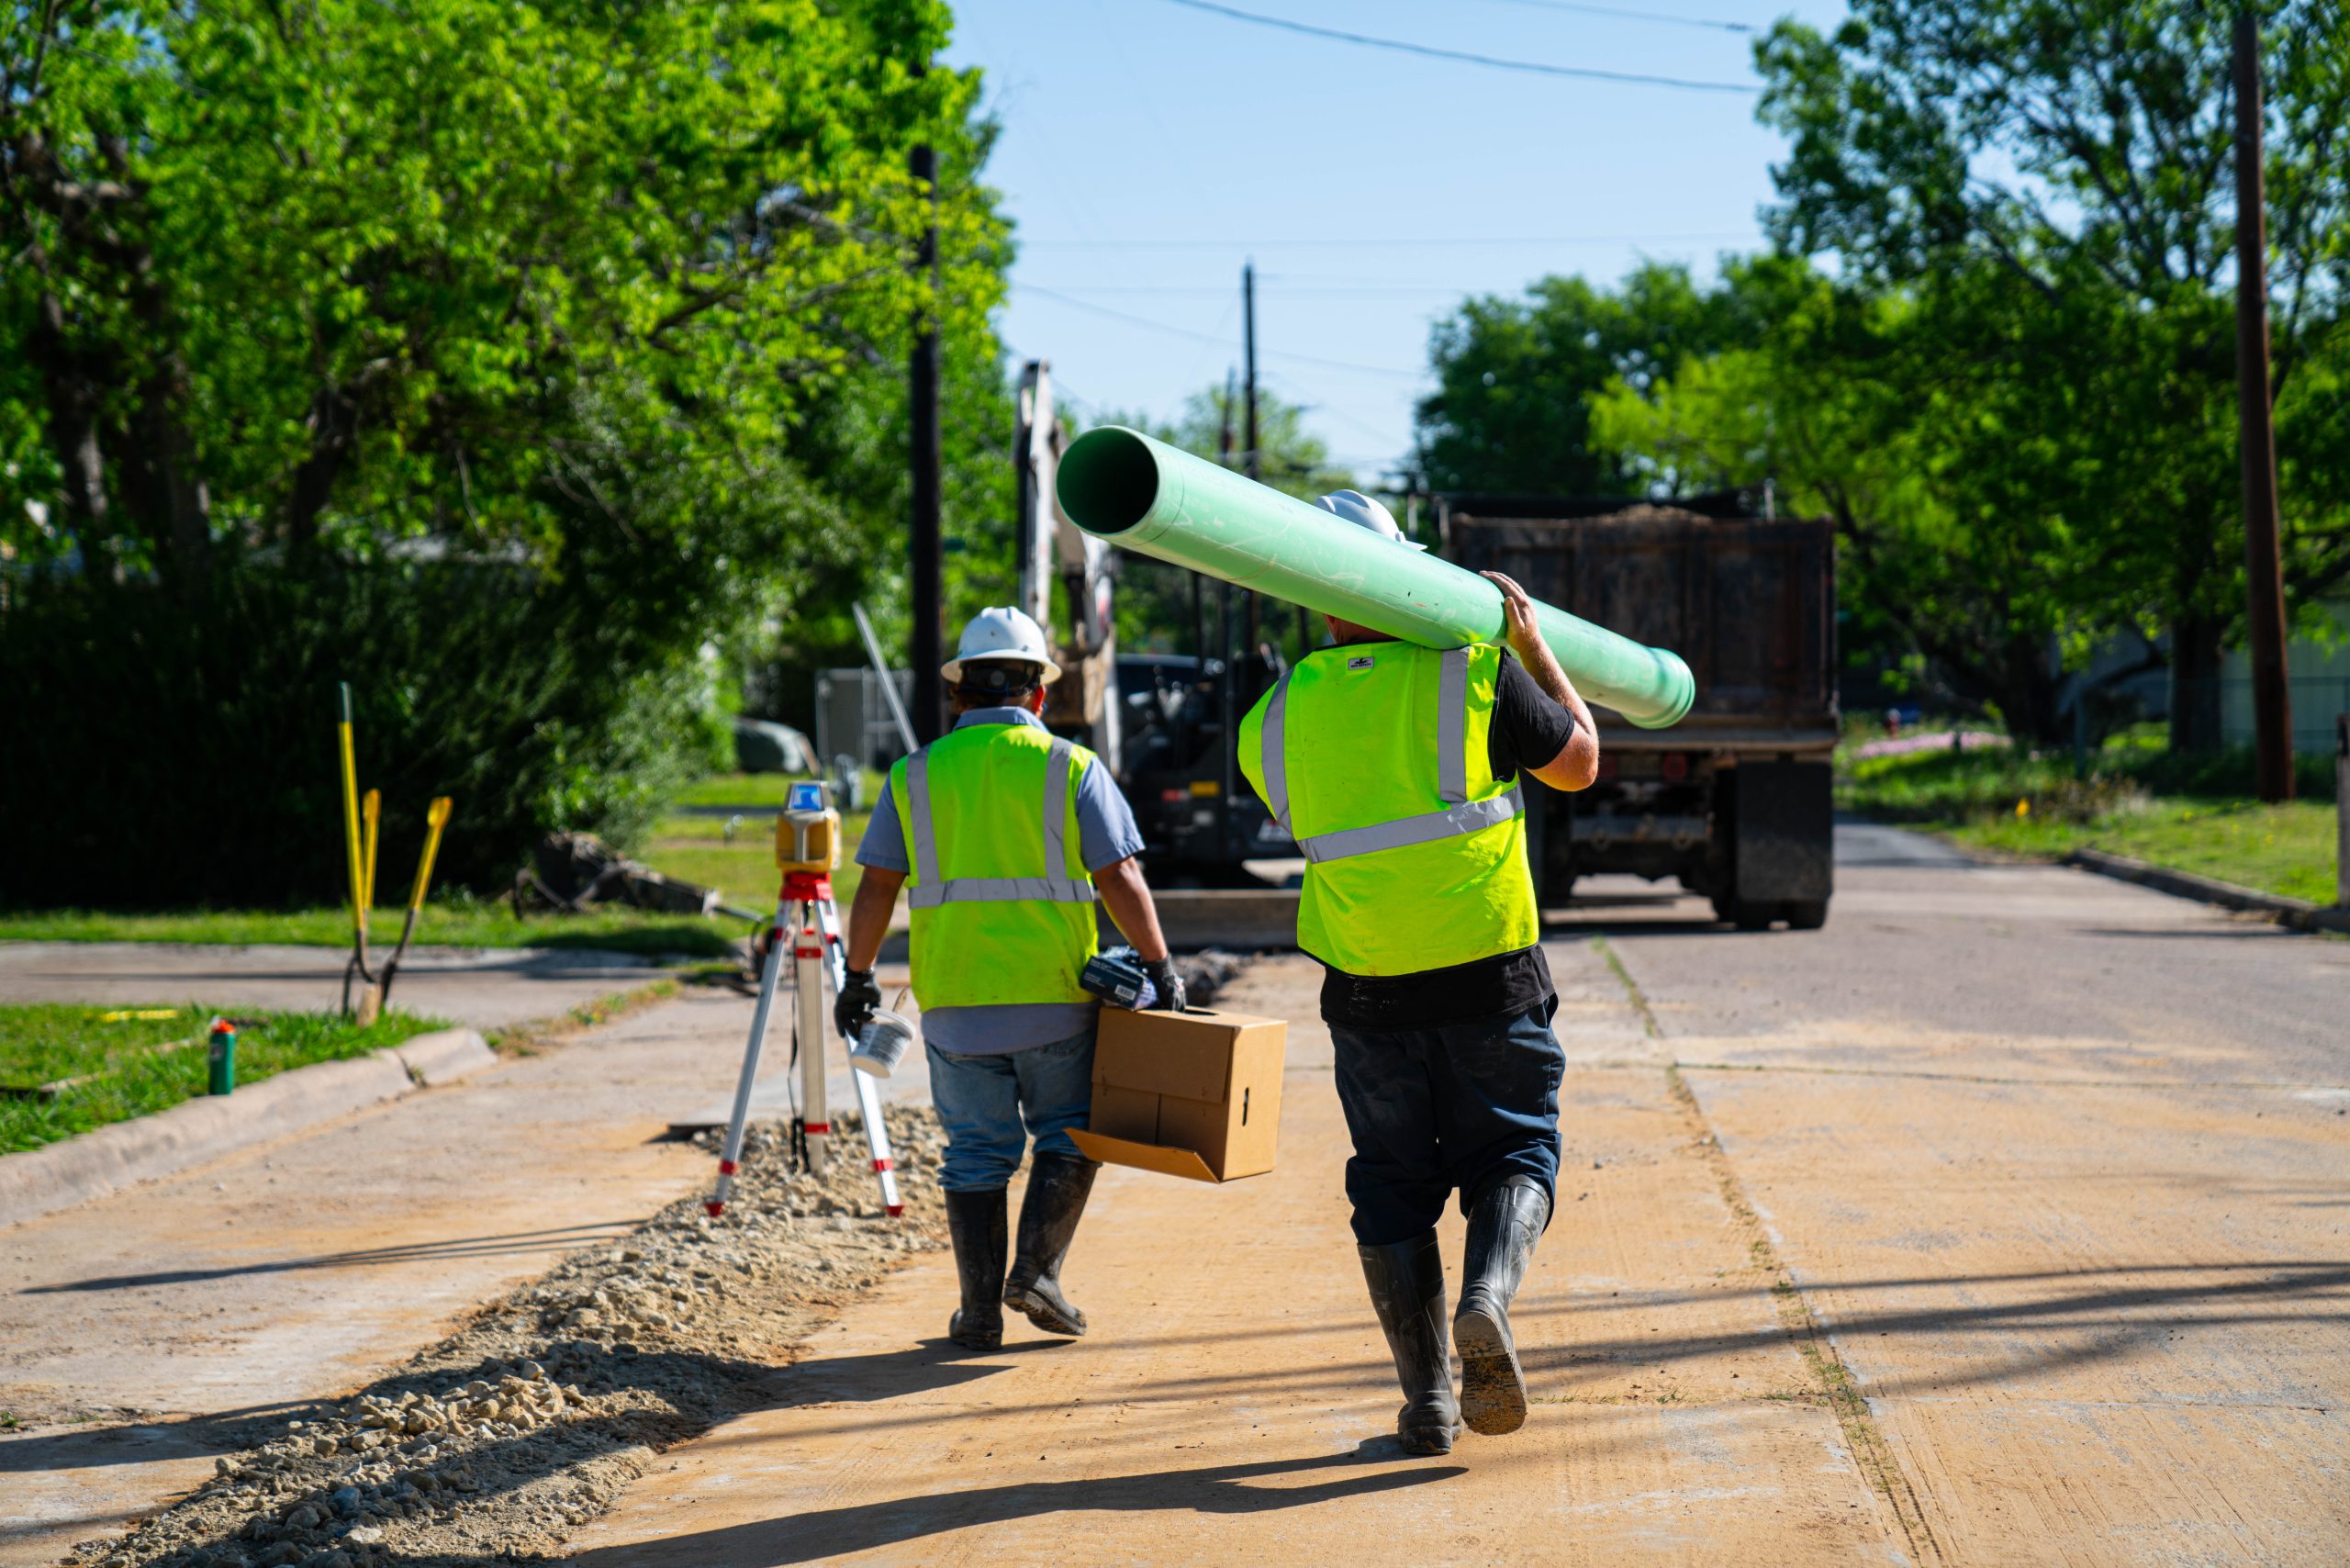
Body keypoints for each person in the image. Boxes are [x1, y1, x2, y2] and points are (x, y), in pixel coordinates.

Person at [1237, 490, 1600, 1456]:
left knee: (1391, 1185)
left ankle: (1427, 1403)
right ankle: (1486, 1298)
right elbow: (1579, 766)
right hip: (1488, 975)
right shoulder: (1473, 674)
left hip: (1364, 991)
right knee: (1516, 1153)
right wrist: (1536, 654)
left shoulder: (1270, 717)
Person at [835, 606, 1185, 1352]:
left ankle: (979, 1313)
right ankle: (1035, 1273)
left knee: (974, 1153)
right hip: (1057, 1001)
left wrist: (857, 977)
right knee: (1069, 1136)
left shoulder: (915, 774)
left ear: (959, 692)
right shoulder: (1069, 766)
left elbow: (874, 890)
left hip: (956, 1007)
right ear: (1039, 694)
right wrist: (1159, 965)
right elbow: (1120, 876)